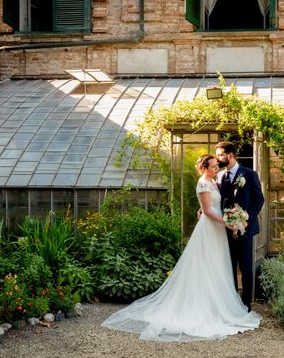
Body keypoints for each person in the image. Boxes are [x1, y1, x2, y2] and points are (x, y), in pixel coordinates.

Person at [101, 154, 261, 341]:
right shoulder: (203, 183)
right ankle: (206, 307)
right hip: (211, 228)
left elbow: (217, 203)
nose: (216, 168)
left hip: (218, 229)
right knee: (207, 265)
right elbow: (208, 211)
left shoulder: (215, 180)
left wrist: (228, 215)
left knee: (218, 265)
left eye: (217, 165)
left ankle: (221, 304)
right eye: (212, 166)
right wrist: (226, 222)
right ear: (203, 169)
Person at [215, 141, 265, 312]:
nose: (218, 158)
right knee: (229, 267)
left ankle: (246, 305)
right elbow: (218, 201)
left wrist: (246, 218)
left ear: (230, 155)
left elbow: (259, 199)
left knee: (245, 267)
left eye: (220, 154)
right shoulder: (220, 176)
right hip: (226, 230)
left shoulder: (249, 174)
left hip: (245, 229)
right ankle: (232, 304)